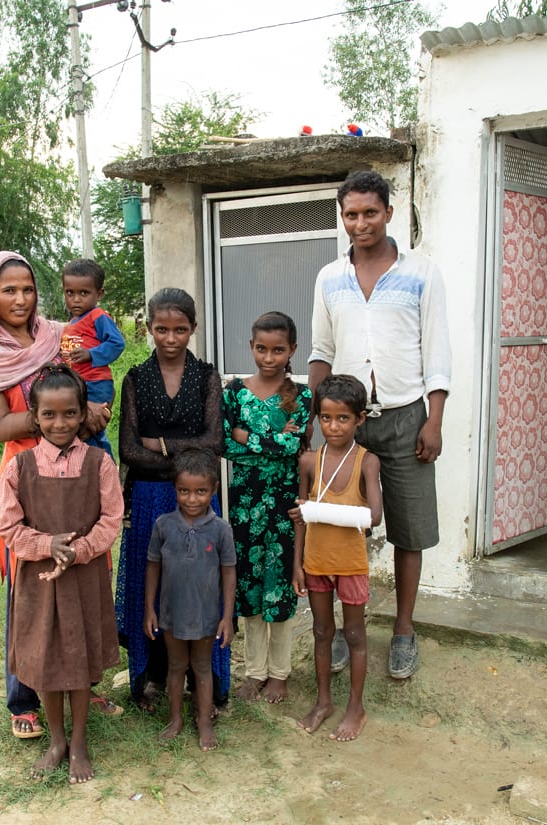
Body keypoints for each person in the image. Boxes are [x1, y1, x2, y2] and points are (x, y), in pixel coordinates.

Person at [0, 251, 116, 740]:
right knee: (28, 586)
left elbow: (86, 379)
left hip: (77, 472)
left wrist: (90, 411)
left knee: (83, 579)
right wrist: (59, 417)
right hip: (26, 475)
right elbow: (0, 425)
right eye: (8, 290)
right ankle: (23, 698)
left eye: (27, 288)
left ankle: (81, 681)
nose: (20, 299)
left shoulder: (55, 335)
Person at [308, 170, 451, 679]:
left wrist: (433, 421)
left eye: (371, 212)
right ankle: (351, 631)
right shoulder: (330, 278)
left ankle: (405, 629)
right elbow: (321, 354)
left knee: (408, 530)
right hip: (346, 423)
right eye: (351, 214)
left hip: (406, 418)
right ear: (342, 218)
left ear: (389, 212)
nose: (361, 222)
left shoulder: (421, 272)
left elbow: (436, 351)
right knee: (340, 527)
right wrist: (316, 421)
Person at [0, 363, 123, 783]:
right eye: (48, 414)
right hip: (38, 580)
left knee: (80, 658)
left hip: (84, 577)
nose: (60, 422)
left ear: (83, 411)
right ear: (34, 416)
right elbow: (9, 527)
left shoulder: (100, 463)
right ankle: (56, 740)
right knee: (46, 658)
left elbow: (111, 519)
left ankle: (80, 742)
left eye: (70, 413)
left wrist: (80, 550)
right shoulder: (20, 467)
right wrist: (47, 546)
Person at [116, 287, 225, 711]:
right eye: (161, 329)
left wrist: (159, 446)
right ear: (148, 328)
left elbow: (214, 442)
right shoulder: (135, 379)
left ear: (193, 329)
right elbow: (128, 450)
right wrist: (186, 455)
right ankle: (151, 677)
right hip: (147, 497)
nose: (171, 338)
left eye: (180, 329)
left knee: (198, 583)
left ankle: (208, 681)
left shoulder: (207, 377)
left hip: (196, 501)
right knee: (151, 582)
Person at [224, 311, 312, 704]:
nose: (269, 357)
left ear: (292, 350)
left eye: (278, 350)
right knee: (249, 588)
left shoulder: (303, 396)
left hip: (282, 508)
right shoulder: (233, 393)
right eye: (262, 349)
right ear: (251, 347)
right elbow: (227, 447)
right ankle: (254, 671)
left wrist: (251, 438)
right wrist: (274, 438)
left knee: (280, 588)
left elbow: (296, 448)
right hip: (244, 507)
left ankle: (280, 673)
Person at [292, 374, 382, 742]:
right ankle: (323, 701)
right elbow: (301, 516)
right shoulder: (310, 462)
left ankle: (355, 708)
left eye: (343, 418)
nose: (333, 426)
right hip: (316, 561)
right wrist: (296, 563)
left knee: (356, 633)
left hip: (350, 564)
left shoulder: (367, 461)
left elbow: (373, 516)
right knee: (321, 631)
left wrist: (325, 513)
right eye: (326, 418)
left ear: (359, 419)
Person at [143, 449, 236, 750]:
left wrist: (227, 617)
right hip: (171, 614)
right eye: (184, 491)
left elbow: (229, 574)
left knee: (202, 667)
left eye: (200, 492)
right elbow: (153, 567)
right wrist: (149, 610)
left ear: (213, 490)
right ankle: (175, 719)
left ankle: (204, 722)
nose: (192, 499)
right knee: (175, 667)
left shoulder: (221, 530)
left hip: (207, 617)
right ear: (175, 490)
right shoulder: (163, 525)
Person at [59, 259, 126, 455]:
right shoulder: (72, 322)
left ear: (99, 294)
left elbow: (117, 343)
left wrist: (91, 354)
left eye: (84, 293)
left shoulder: (98, 316)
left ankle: (104, 465)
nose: (76, 299)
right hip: (80, 384)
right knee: (79, 432)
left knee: (92, 430)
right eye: (70, 293)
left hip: (95, 383)